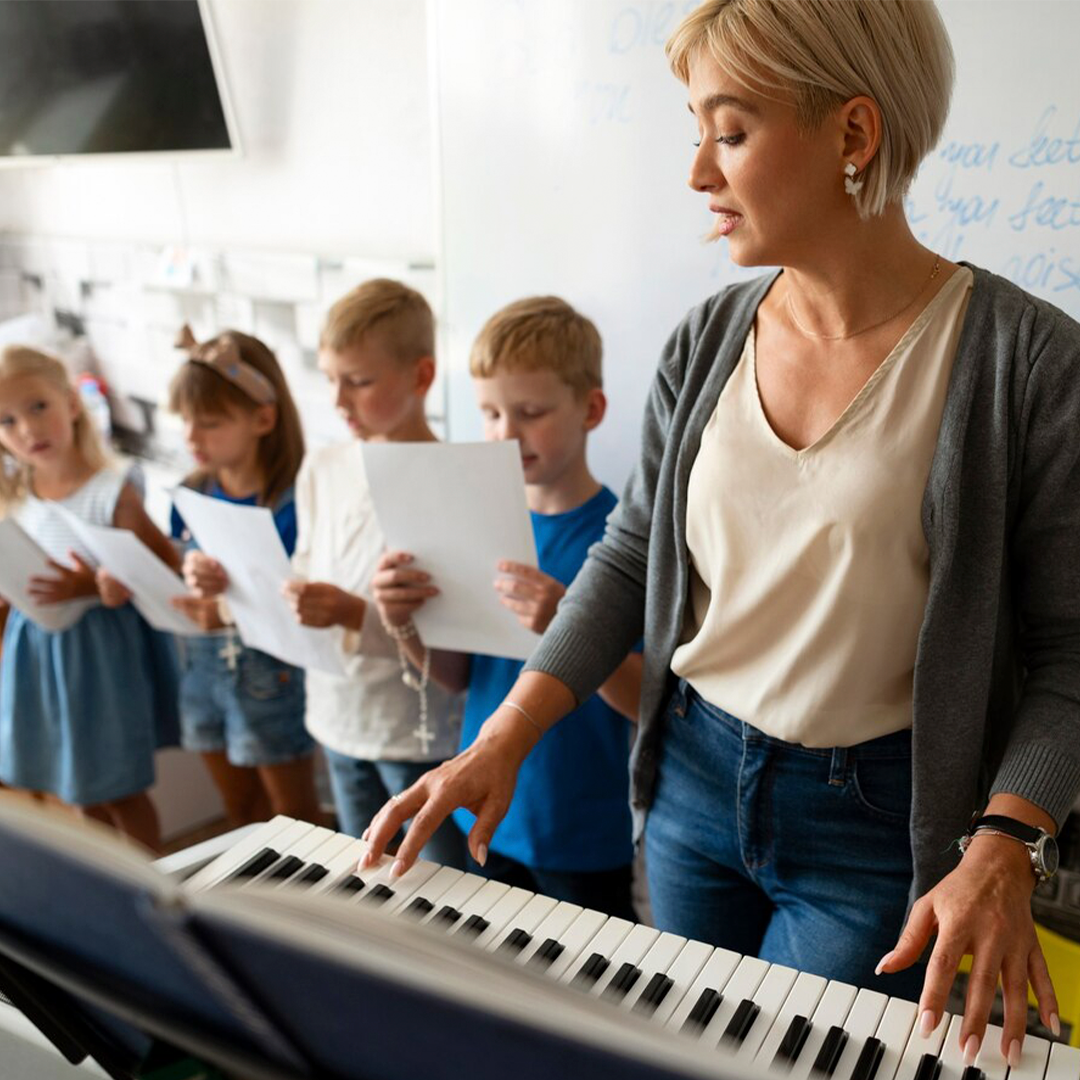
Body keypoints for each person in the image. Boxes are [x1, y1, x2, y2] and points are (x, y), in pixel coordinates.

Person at [361, 0, 1080, 1067]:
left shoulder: (1028, 363)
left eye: (730, 131)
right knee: (683, 1055)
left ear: (853, 134)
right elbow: (628, 556)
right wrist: (503, 736)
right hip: (691, 784)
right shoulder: (709, 337)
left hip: (877, 826)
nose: (698, 172)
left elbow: (1070, 651)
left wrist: (1005, 845)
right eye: (694, 130)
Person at [372, 296, 642, 918]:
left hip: (581, 828)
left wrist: (568, 625)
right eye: (490, 413)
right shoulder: (480, 524)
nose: (504, 434)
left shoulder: (623, 541)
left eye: (531, 412)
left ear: (591, 410)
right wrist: (404, 623)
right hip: (480, 811)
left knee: (585, 988)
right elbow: (458, 677)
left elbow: (646, 701)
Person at [277, 278, 465, 865]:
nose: (339, 401)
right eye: (331, 378)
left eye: (358, 382)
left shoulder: (453, 480)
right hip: (335, 716)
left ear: (421, 376)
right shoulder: (322, 465)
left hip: (419, 735)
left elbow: (461, 638)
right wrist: (293, 593)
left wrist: (354, 613)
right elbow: (307, 560)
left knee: (441, 890)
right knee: (365, 878)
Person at [0, 346, 179, 850]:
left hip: (100, 657)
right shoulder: (19, 494)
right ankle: (112, 880)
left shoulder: (111, 490)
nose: (27, 430)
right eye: (7, 421)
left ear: (72, 403)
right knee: (78, 789)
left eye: (38, 407)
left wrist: (91, 585)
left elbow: (161, 573)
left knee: (120, 787)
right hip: (40, 654)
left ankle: (149, 881)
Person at [167, 326, 322, 828]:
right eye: (186, 421)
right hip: (202, 673)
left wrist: (225, 604)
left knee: (294, 817)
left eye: (209, 423)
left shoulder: (294, 504)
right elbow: (178, 575)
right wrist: (191, 577)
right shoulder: (191, 493)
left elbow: (302, 604)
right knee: (241, 812)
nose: (192, 437)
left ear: (263, 418)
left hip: (270, 674)